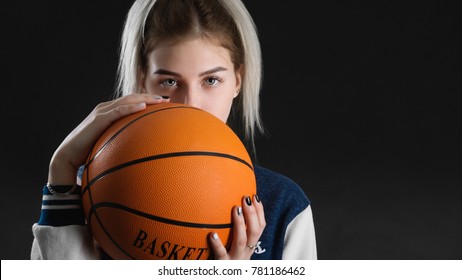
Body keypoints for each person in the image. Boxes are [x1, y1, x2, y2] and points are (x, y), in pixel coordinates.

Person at [31, 0, 317, 260]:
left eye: (211, 80)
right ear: (143, 80)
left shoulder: (285, 207)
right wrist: (62, 165)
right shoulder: (84, 195)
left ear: (238, 81)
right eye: (169, 82)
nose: (190, 105)